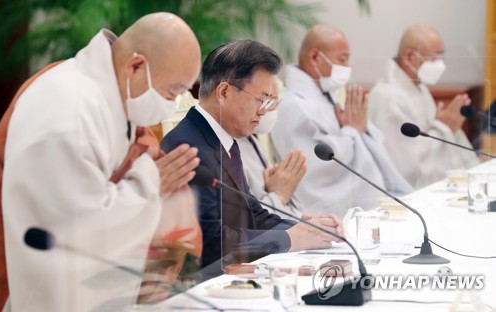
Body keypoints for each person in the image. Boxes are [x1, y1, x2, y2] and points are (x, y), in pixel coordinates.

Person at [0, 13, 202, 311]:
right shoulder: (66, 109)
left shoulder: (114, 100)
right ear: (135, 65)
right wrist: (150, 183)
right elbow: (76, 227)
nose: (172, 104)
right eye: (172, 92)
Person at [162, 39, 344, 277]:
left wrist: (307, 229)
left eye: (270, 102)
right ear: (224, 92)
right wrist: (290, 238)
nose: (265, 111)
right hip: (199, 285)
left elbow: (253, 214)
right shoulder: (187, 148)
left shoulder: (225, 139)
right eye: (262, 100)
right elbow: (211, 242)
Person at [271, 25, 412, 218]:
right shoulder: (293, 106)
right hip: (326, 212)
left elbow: (361, 134)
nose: (347, 67)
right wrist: (351, 131)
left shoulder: (327, 97)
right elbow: (316, 167)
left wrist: (357, 130)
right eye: (342, 59)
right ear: (314, 57)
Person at [367, 24, 480, 188]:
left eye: (442, 57)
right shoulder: (387, 96)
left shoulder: (419, 88)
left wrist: (445, 126)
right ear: (409, 56)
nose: (441, 64)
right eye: (435, 57)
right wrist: (443, 127)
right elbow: (404, 163)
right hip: (402, 193)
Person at [237, 80, 306, 220]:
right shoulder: (223, 148)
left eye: (275, 102)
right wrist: (279, 195)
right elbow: (245, 224)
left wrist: (307, 221)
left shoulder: (249, 138)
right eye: (267, 101)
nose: (269, 110)